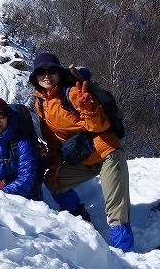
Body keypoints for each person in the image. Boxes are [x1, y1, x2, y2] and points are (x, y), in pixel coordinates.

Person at [30, 52, 135, 252]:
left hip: (107, 153)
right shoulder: (41, 104)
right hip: (82, 157)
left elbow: (100, 126)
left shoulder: (72, 93)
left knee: (116, 209)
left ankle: (125, 255)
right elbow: (52, 139)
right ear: (35, 76)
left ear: (59, 73)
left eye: (51, 70)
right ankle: (80, 217)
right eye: (41, 71)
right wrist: (56, 162)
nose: (47, 75)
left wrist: (88, 108)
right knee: (54, 182)